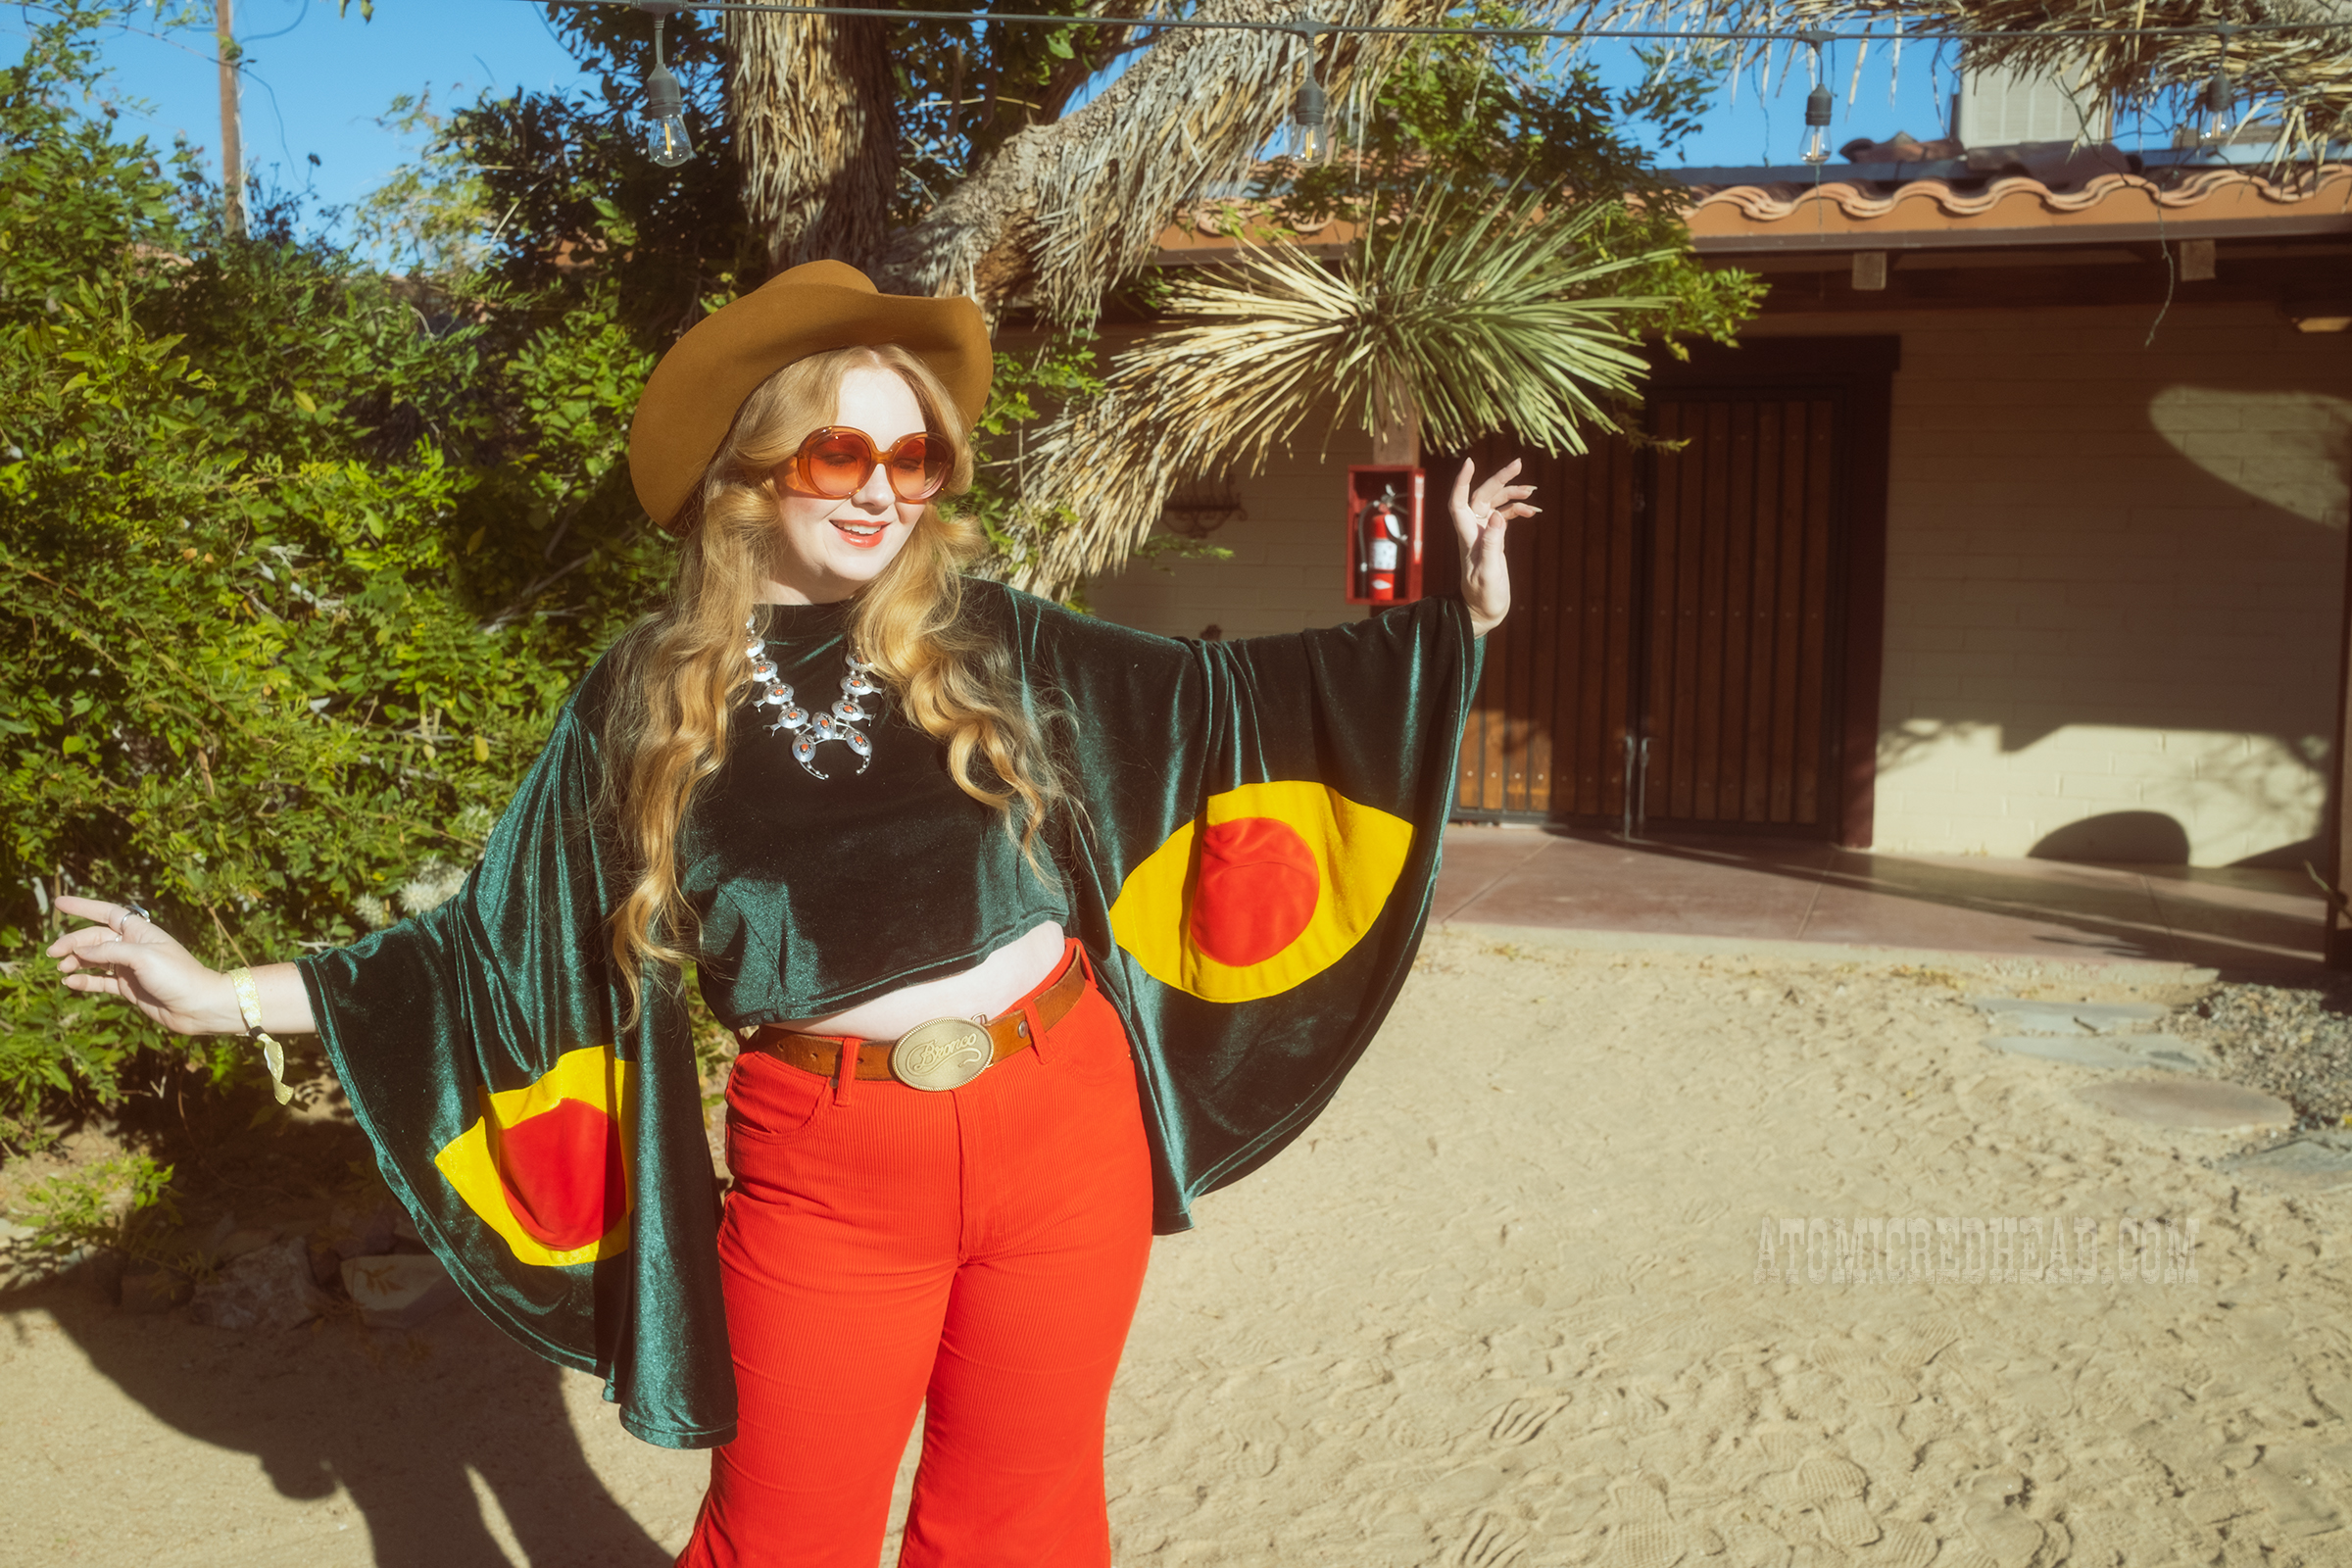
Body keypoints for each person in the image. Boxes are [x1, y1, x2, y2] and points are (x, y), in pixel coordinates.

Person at [47, 260, 1534, 1567]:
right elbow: (487, 947)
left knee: (1023, 1528)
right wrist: (223, 995)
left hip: (1062, 1117)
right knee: (785, 1539)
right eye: (843, 450)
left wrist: (1446, 629)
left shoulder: (994, 636)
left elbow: (1231, 709)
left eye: (916, 455)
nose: (886, 484)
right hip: (829, 1172)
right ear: (750, 469)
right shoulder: (640, 698)